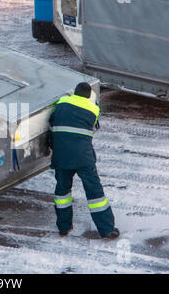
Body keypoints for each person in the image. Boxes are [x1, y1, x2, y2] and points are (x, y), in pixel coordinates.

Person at [49, 82, 120, 239]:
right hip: (83, 158)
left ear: (74, 92)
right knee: (95, 194)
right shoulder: (93, 110)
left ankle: (63, 228)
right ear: (88, 96)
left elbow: (52, 123)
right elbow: (94, 128)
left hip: (62, 156)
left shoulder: (61, 104)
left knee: (62, 193)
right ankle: (107, 229)